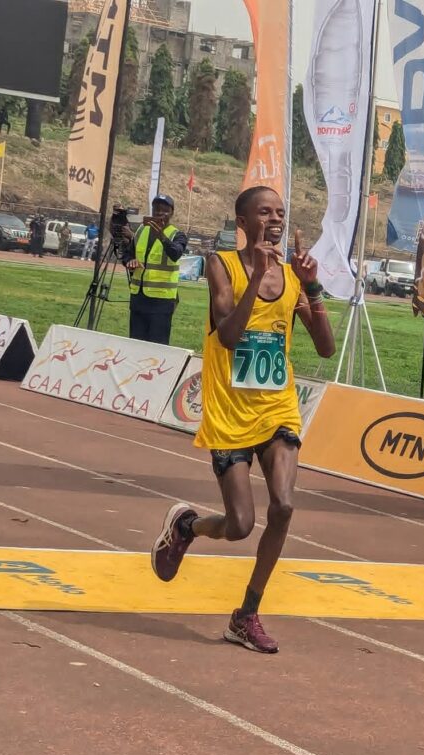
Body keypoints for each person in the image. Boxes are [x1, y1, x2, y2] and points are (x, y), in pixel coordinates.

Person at [150, 187, 335, 654]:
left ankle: (246, 614)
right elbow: (229, 336)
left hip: (277, 409)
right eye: (264, 212)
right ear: (243, 221)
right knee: (239, 525)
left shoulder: (291, 276)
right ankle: (188, 527)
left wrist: (311, 286)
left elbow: (325, 347)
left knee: (284, 506)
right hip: (229, 412)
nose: (275, 219)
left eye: (280, 212)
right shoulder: (221, 265)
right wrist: (257, 276)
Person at [122, 194, 189, 345]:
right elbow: (127, 254)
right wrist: (129, 261)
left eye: (164, 210)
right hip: (138, 298)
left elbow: (176, 253)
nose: (159, 213)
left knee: (157, 347)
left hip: (161, 302)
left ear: (172, 213)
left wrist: (161, 236)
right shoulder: (141, 230)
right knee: (135, 344)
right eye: (156, 209)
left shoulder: (178, 235)